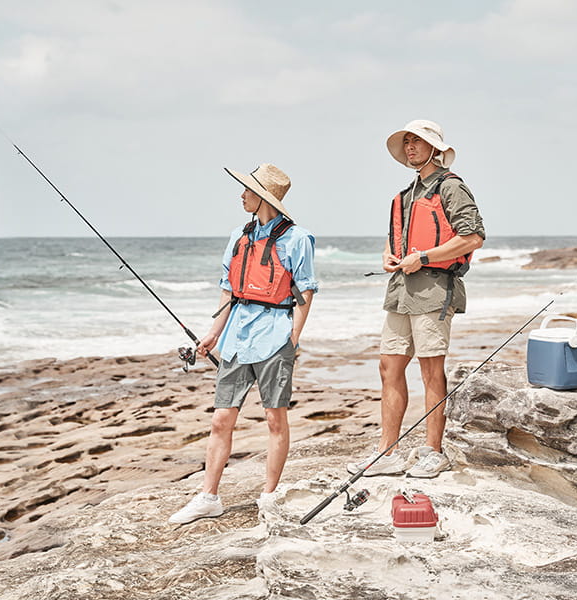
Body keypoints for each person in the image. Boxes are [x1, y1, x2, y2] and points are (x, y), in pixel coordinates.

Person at [169, 163, 317, 524]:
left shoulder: (298, 239)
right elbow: (228, 290)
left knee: (274, 420)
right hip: (236, 338)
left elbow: (306, 293)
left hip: (274, 338)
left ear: (263, 197)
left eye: (247, 190)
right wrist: (213, 334)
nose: (241, 195)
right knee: (221, 419)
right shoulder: (239, 235)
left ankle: (268, 497)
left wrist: (292, 340)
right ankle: (208, 497)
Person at [348, 120, 485, 479]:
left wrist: (424, 258)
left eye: (417, 141)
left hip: (434, 290)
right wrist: (387, 256)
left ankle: (432, 451)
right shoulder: (405, 195)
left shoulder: (452, 187)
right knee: (388, 368)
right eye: (407, 141)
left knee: (430, 371)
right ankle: (387, 453)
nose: (410, 147)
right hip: (400, 291)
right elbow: (394, 239)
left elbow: (473, 237)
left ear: (435, 148)